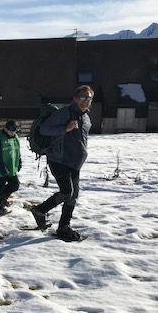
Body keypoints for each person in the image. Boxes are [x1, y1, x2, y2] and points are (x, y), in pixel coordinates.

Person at [30, 85, 93, 242]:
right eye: (84, 97)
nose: (87, 101)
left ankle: (64, 227)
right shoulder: (64, 113)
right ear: (75, 98)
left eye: (90, 98)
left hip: (75, 162)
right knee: (67, 192)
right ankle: (39, 210)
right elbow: (44, 129)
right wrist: (66, 128)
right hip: (59, 159)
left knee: (73, 196)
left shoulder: (85, 117)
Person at [0, 120, 22, 215]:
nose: (12, 133)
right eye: (11, 130)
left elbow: (18, 152)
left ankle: (2, 200)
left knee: (15, 185)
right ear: (5, 128)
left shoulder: (15, 137)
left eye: (14, 131)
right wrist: (2, 168)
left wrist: (19, 163)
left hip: (11, 167)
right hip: (0, 169)